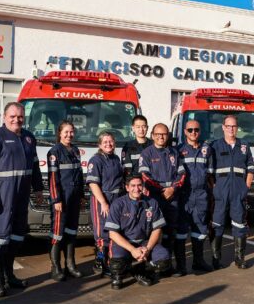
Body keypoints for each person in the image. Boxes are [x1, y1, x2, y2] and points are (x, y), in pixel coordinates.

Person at [0, 102, 43, 298]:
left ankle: (9, 276)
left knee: (16, 236)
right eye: (12, 116)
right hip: (1, 196)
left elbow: (35, 166)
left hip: (22, 196)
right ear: (5, 117)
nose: (17, 119)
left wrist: (38, 189)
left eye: (20, 116)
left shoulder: (29, 138)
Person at [106, 176, 172, 289]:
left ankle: (139, 271)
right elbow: (112, 234)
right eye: (133, 186)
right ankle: (119, 274)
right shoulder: (118, 204)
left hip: (145, 243)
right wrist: (132, 250)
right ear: (127, 188)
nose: (136, 189)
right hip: (124, 243)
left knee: (164, 260)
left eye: (139, 185)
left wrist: (148, 249)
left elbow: (157, 229)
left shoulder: (152, 203)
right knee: (117, 264)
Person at [139, 123, 187, 276]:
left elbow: (182, 174)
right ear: (152, 135)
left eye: (164, 134)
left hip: (172, 197)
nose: (161, 137)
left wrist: (173, 189)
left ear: (168, 135)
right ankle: (149, 265)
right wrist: (161, 191)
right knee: (153, 231)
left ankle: (166, 264)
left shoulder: (174, 152)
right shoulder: (146, 153)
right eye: (158, 134)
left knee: (170, 232)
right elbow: (145, 177)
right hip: (154, 199)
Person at [210, 115, 254, 269]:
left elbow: (250, 167)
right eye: (228, 126)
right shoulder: (214, 146)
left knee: (240, 224)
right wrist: (214, 188)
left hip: (238, 191)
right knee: (217, 224)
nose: (231, 129)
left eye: (234, 126)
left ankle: (239, 258)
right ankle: (216, 259)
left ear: (237, 128)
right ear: (223, 127)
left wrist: (246, 186)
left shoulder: (244, 145)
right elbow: (209, 171)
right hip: (220, 192)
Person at [46, 120, 85, 281]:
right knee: (58, 233)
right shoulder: (54, 152)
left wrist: (82, 196)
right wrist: (56, 200)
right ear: (60, 133)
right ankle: (56, 268)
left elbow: (79, 175)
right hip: (61, 199)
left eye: (71, 132)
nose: (69, 135)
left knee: (71, 231)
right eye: (66, 132)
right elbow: (53, 178)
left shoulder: (75, 150)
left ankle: (70, 265)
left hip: (74, 197)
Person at [178, 119, 214, 272]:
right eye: (190, 130)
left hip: (201, 195)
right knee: (180, 231)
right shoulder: (178, 150)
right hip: (184, 195)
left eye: (196, 130)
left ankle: (198, 262)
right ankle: (180, 266)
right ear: (185, 132)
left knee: (200, 229)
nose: (194, 133)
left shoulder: (207, 149)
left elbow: (211, 176)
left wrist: (211, 196)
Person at [86, 131, 124, 277]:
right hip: (102, 198)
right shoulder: (96, 160)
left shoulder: (115, 158)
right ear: (100, 145)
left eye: (111, 141)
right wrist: (103, 202)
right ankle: (100, 262)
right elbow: (93, 184)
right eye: (105, 142)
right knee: (102, 231)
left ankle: (111, 261)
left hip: (116, 198)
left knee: (114, 229)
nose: (108, 144)